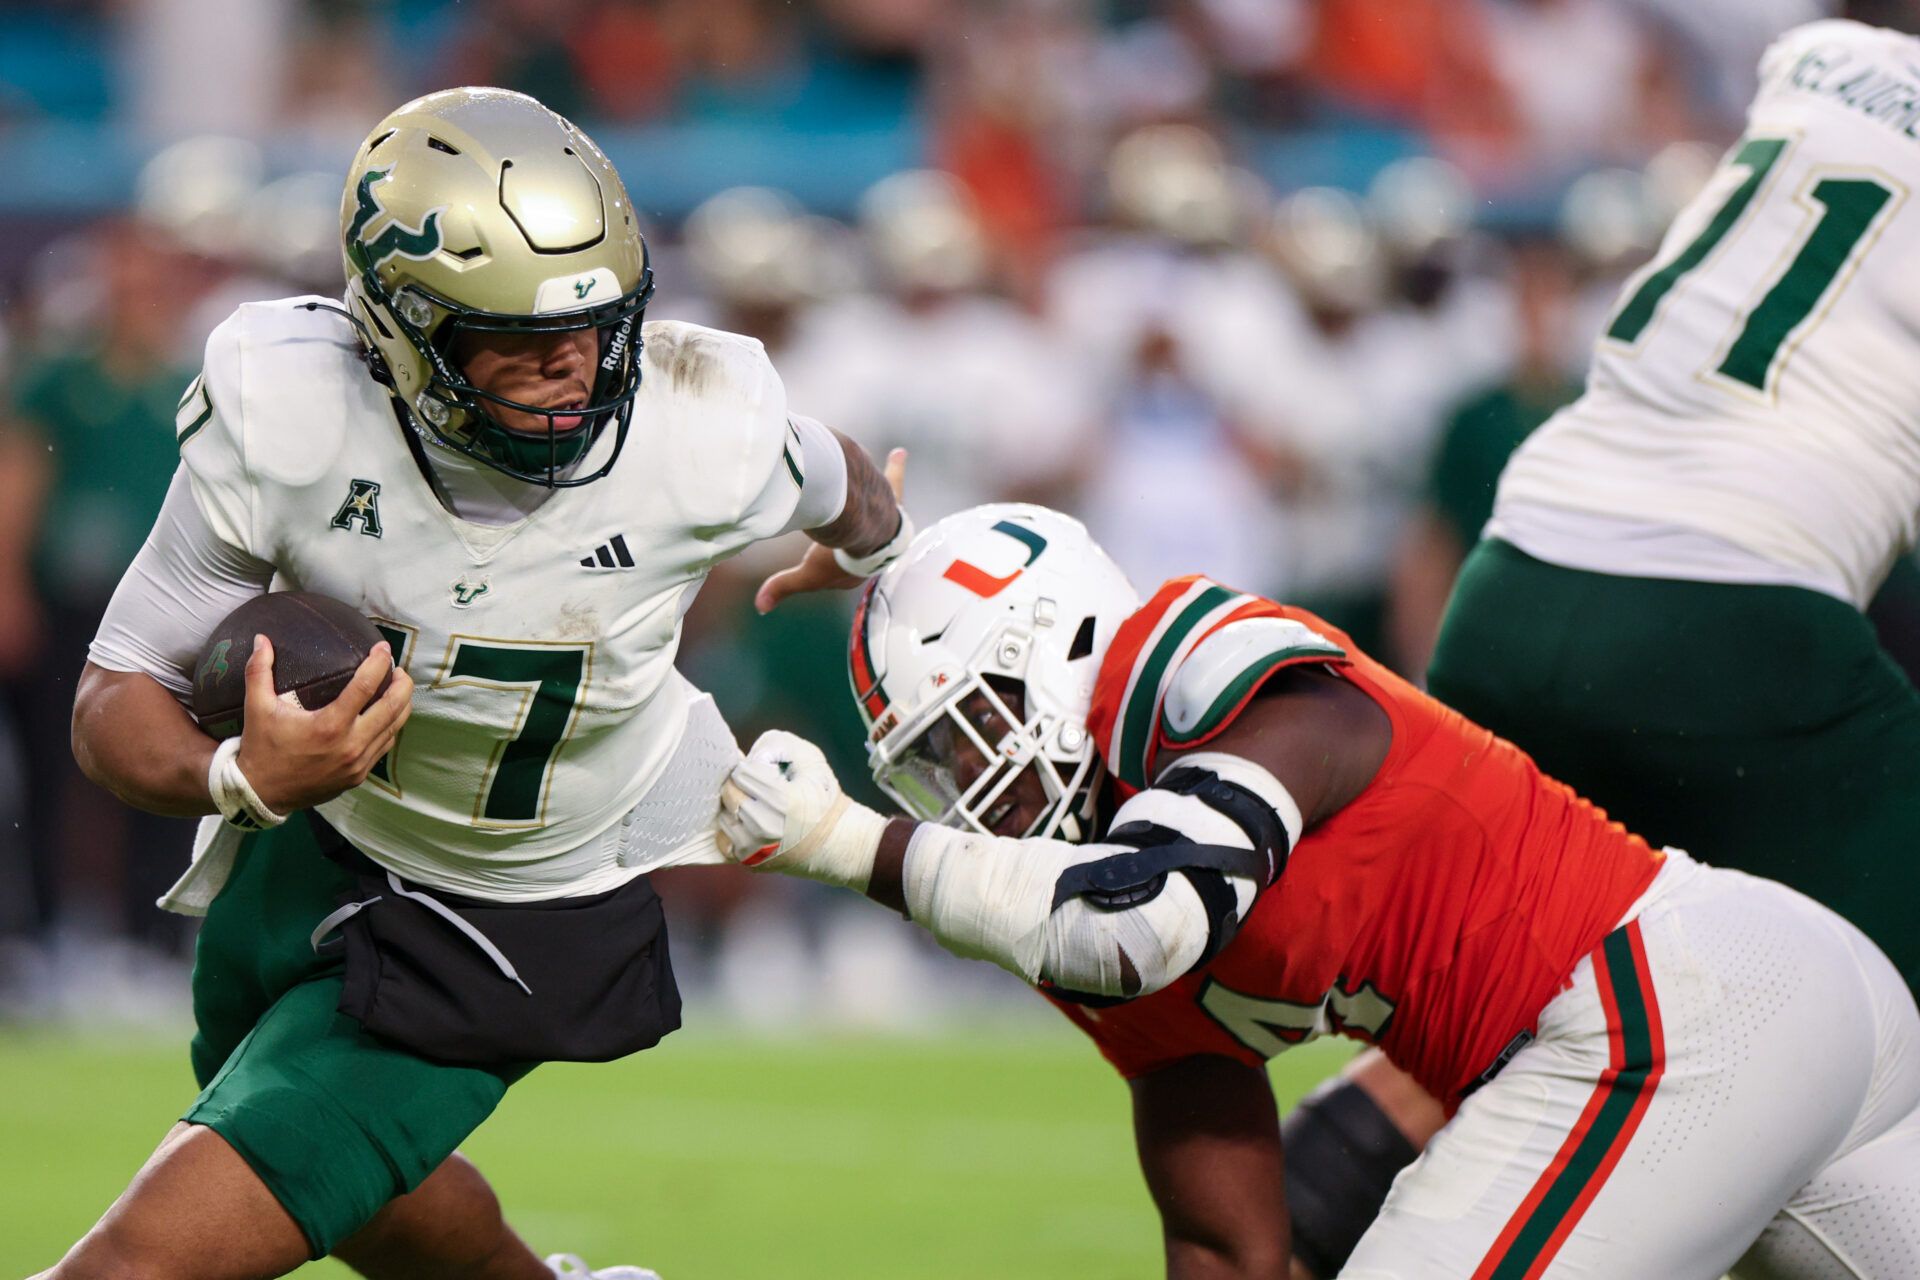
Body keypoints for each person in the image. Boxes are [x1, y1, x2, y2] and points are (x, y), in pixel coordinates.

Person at [47, 87, 910, 1280]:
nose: (572, 362)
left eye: (598, 321)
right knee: (345, 1182)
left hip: (513, 906)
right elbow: (114, 695)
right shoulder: (292, 409)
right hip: (323, 834)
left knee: (140, 1261)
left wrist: (869, 548)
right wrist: (237, 773)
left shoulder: (698, 422)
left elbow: (844, 478)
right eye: (512, 332)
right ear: (398, 330)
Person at [717, 504, 1920, 1279]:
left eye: (972, 732)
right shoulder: (1073, 892)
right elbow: (1229, 1243)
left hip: (1670, 1007)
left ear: (1060, 645)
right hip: (1742, 1034)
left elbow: (1141, 915)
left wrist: (841, 840)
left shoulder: (1186, 664)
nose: (967, 786)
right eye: (931, 767)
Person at [1427, 17, 1920, 997]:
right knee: (1863, 1020)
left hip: (1511, 581)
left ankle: (1343, 1149)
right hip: (1731, 624)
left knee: (1509, 1015)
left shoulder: (1821, 59)